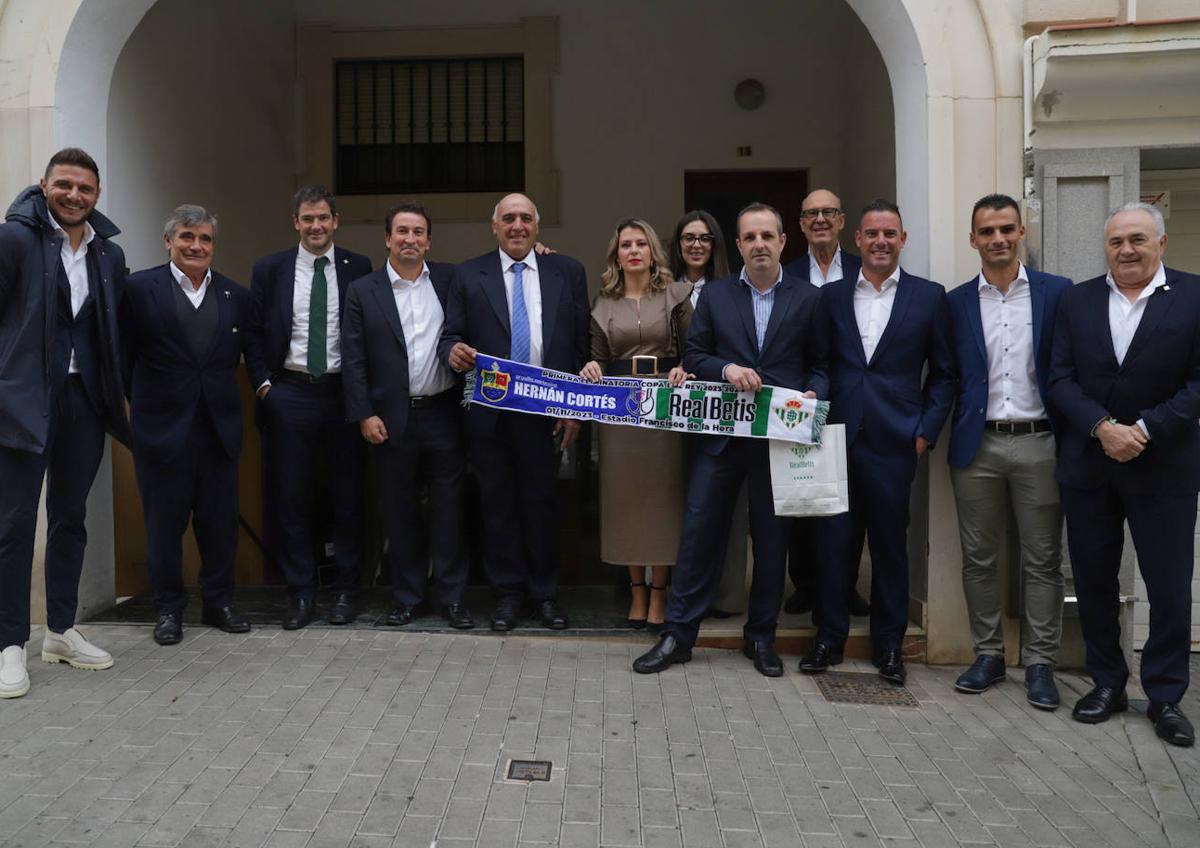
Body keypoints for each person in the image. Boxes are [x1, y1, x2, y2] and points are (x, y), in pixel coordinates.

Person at [633, 202, 828, 678]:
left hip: (777, 440)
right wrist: (727, 369)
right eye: (750, 237)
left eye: (767, 235)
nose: (759, 244)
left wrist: (812, 395)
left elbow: (823, 365)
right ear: (738, 245)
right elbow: (695, 353)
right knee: (700, 533)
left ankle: (761, 636)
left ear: (784, 242)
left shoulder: (809, 299)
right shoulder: (716, 297)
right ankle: (679, 635)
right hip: (721, 437)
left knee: (770, 540)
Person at [1047, 201, 1199, 747]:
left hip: (1164, 467)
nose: (1126, 250)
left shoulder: (1194, 295)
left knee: (1169, 587)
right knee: (1092, 581)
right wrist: (1102, 427)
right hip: (1091, 464)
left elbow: (1197, 384)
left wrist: (1145, 430)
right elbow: (1059, 378)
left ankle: (1164, 696)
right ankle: (1107, 681)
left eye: (1137, 239)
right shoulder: (1077, 300)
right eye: (1116, 242)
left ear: (1161, 242)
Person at [799, 199, 955, 685]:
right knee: (833, 547)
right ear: (858, 240)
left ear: (902, 240)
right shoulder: (832, 297)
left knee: (890, 549)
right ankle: (829, 638)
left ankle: (890, 647)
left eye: (890, 234)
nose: (881, 242)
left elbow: (946, 375)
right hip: (837, 438)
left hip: (896, 443)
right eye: (872, 234)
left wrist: (925, 431)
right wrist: (814, 403)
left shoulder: (930, 298)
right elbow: (821, 364)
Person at [0, 148, 132, 699]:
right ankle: (9, 644)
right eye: (65, 185)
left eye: (85, 188)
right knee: (12, 525)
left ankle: (59, 630)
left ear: (97, 195)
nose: (74, 195)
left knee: (70, 517)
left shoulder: (109, 255)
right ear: (44, 185)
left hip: (84, 401)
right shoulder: (14, 241)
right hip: (24, 400)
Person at [439, 193, 590, 631]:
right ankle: (507, 594)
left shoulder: (568, 271)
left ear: (538, 227)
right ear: (494, 226)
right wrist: (454, 353)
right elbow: (449, 336)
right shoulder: (469, 275)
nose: (518, 226)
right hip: (492, 414)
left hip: (549, 412)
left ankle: (545, 596)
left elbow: (580, 344)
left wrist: (574, 407)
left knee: (543, 505)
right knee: (498, 506)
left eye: (526, 218)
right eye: (509, 219)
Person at [947, 194, 1071, 708]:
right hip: (978, 446)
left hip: (1041, 442)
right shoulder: (953, 303)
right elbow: (947, 375)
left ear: (1021, 233)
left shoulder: (1057, 294)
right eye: (986, 231)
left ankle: (1041, 663)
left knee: (1042, 560)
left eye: (1006, 229)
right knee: (979, 558)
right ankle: (989, 654)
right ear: (972, 239)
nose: (997, 238)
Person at [120, 205, 254, 646]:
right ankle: (168, 610)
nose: (196, 246)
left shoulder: (236, 295)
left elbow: (249, 354)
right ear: (168, 242)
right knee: (164, 527)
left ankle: (219, 603)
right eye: (187, 237)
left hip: (218, 431)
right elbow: (122, 355)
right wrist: (128, 405)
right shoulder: (139, 290)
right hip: (161, 430)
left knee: (219, 525)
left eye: (205, 239)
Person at [342, 201, 474, 630]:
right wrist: (363, 413)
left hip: (443, 414)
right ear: (387, 238)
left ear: (429, 240)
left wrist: (540, 250)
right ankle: (408, 597)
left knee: (450, 511)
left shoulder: (452, 279)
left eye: (419, 232)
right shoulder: (364, 290)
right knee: (399, 512)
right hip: (390, 419)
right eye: (402, 232)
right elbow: (355, 358)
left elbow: (496, 278)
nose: (410, 240)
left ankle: (452, 598)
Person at [247, 187, 372, 629]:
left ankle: (345, 592)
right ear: (295, 223)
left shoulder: (359, 267)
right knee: (292, 496)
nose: (315, 226)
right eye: (307, 219)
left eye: (323, 218)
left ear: (336, 220)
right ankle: (300, 593)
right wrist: (265, 387)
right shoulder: (270, 269)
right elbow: (254, 332)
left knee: (347, 497)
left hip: (343, 395)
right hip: (291, 392)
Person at [581, 219, 693, 628]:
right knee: (625, 498)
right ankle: (637, 592)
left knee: (663, 498)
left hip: (664, 406)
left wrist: (687, 369)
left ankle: (660, 593)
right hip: (620, 410)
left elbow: (694, 348)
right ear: (616, 255)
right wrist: (592, 365)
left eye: (640, 244)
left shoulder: (676, 296)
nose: (633, 251)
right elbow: (593, 355)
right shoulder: (603, 303)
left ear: (652, 252)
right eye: (625, 244)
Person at [782, 189, 869, 618]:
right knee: (802, 493)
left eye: (827, 212)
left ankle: (845, 586)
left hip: (853, 397)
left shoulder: (862, 268)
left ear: (841, 220)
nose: (819, 219)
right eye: (811, 213)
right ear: (799, 225)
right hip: (803, 397)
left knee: (845, 500)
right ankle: (805, 584)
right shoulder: (787, 274)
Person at [667, 211, 746, 619]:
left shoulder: (734, 290)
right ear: (677, 244)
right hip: (674, 410)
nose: (696, 245)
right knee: (681, 504)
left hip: (725, 409)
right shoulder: (662, 288)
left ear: (716, 245)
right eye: (687, 238)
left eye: (704, 238)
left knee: (729, 508)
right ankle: (677, 597)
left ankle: (727, 596)